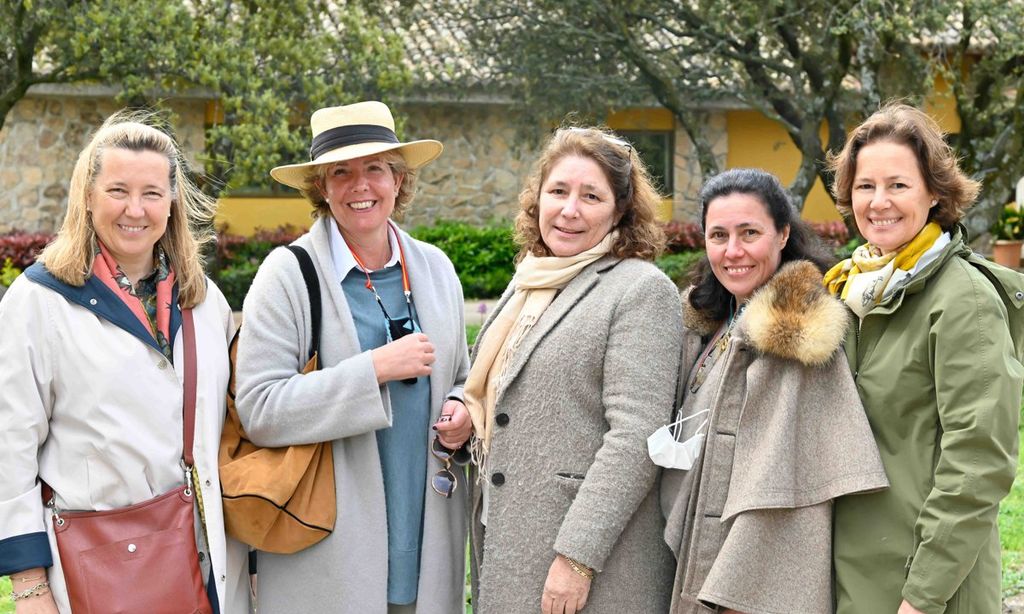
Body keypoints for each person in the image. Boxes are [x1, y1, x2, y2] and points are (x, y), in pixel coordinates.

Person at [0, 111, 249, 613]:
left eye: (152, 193)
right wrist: (29, 588)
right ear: (88, 197)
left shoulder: (204, 302)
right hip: (100, 567)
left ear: (172, 202)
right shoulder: (38, 302)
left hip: (209, 566)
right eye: (118, 190)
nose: (135, 209)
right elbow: (9, 451)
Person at [233, 101, 471, 614]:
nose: (360, 185)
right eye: (341, 171)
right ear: (321, 186)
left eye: (375, 169)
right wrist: (375, 370)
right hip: (327, 557)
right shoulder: (288, 275)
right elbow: (260, 409)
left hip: (427, 538)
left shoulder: (436, 269)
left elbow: (464, 378)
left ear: (398, 180)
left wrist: (462, 408)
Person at [466, 126, 684, 614]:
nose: (569, 209)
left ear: (620, 210)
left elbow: (635, 439)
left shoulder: (640, 290)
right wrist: (467, 410)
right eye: (558, 191)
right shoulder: (530, 280)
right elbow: (505, 386)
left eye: (591, 196)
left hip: (587, 563)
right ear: (537, 198)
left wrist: (577, 560)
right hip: (511, 539)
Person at [661, 168, 889, 614]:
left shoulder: (796, 333)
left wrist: (734, 598)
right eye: (719, 235)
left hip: (749, 591)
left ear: (783, 234)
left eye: (750, 233)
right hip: (693, 554)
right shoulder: (711, 317)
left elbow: (785, 493)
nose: (733, 251)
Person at [826, 103, 1023, 614]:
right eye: (865, 185)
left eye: (898, 185)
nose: (879, 202)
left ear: (934, 192)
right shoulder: (850, 290)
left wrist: (922, 597)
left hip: (924, 592)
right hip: (850, 577)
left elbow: (978, 463)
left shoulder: (964, 300)